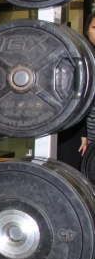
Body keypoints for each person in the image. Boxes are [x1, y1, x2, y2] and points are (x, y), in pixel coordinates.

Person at [57, 12, 95, 168]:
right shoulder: (78, 58)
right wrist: (82, 133)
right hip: (80, 130)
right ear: (87, 30)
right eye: (94, 27)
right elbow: (72, 97)